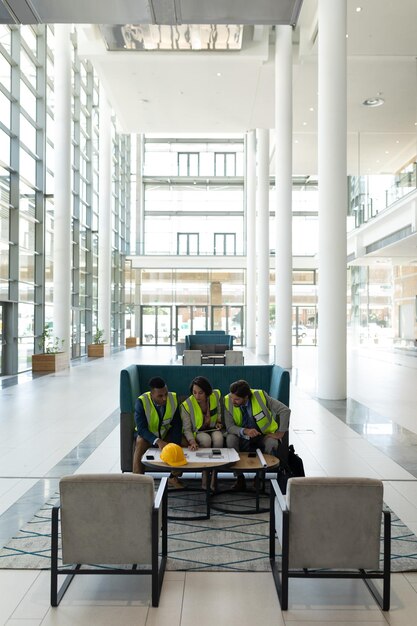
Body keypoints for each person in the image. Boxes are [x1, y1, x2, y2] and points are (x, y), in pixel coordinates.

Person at [224, 379, 291, 491]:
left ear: (246, 397)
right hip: (242, 436)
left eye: (237, 399)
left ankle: (259, 478)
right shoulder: (227, 401)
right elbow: (230, 427)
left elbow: (285, 410)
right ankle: (240, 478)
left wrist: (280, 433)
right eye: (232, 397)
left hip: (263, 435)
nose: (232, 401)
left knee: (272, 443)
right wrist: (245, 431)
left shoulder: (260, 396)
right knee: (230, 439)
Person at [133, 376, 184, 488]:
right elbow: (141, 429)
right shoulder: (141, 402)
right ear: (152, 395)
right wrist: (157, 441)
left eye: (165, 394)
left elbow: (177, 425)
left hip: (165, 434)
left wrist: (174, 444)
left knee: (180, 442)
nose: (164, 398)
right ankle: (137, 481)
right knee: (140, 442)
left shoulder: (173, 399)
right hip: (147, 436)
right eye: (160, 396)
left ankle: (174, 477)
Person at [180, 376, 224, 490]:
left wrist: (219, 422)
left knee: (219, 439)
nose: (197, 396)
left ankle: (214, 475)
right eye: (194, 392)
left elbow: (218, 412)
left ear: (207, 392)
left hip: (213, 428)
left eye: (200, 393)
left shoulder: (214, 397)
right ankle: (205, 475)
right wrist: (192, 441)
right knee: (206, 440)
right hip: (198, 432)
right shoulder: (186, 405)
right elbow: (187, 428)